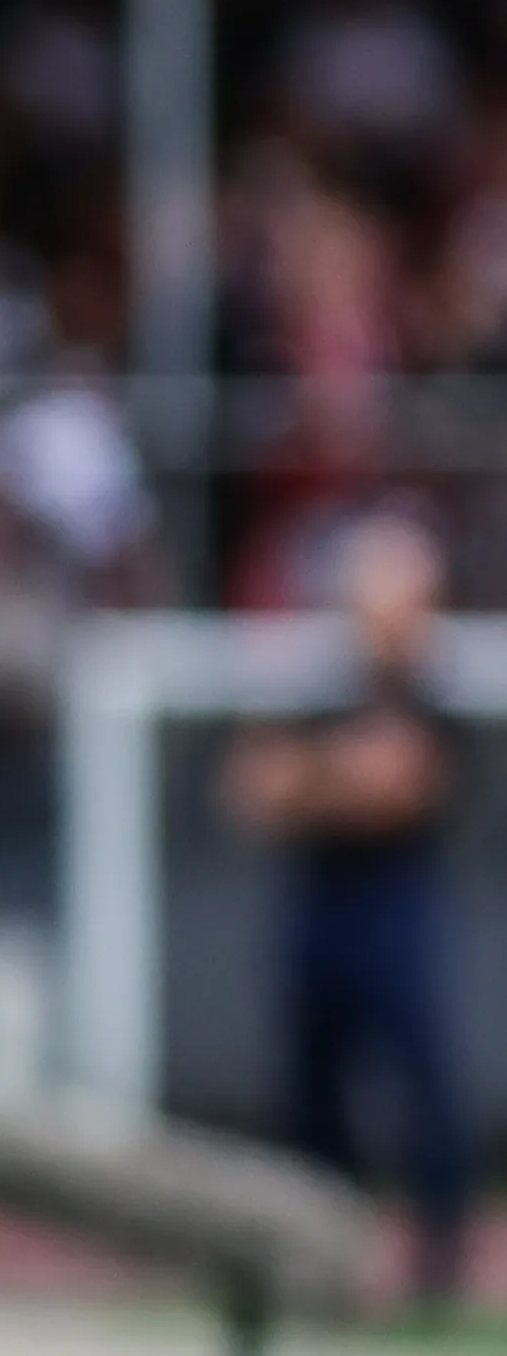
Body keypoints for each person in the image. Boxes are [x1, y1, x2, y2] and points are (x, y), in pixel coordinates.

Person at [225, 508, 472, 1308]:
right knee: (310, 1083)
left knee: (420, 1077)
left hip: (392, 902)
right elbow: (251, 792)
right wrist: (335, 778)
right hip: (318, 900)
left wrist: (311, 781)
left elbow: (394, 788)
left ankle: (439, 1253)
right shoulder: (316, 689)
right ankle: (322, 1246)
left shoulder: (429, 692)